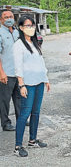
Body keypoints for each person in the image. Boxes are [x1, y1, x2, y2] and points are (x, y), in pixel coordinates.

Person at [13, 15, 50, 157]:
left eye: (32, 25)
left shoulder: (35, 43)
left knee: (36, 112)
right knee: (24, 114)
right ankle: (18, 146)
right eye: (27, 26)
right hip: (28, 84)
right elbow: (18, 67)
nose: (31, 28)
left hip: (39, 82)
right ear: (21, 28)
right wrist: (21, 85)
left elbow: (41, 63)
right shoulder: (18, 46)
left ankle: (32, 140)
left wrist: (46, 79)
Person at [0, 10, 20, 131]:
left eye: (11, 16)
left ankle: (21, 118)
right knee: (4, 100)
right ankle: (5, 123)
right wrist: (1, 72)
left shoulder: (17, 32)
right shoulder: (1, 33)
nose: (9, 19)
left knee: (19, 98)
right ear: (1, 20)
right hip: (6, 73)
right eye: (6, 17)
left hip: (18, 73)